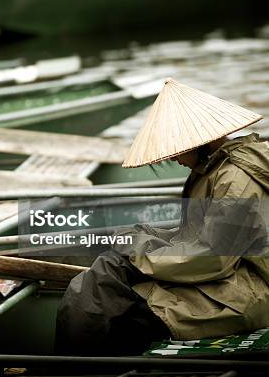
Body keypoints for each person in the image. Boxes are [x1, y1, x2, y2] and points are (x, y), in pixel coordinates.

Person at [55, 78, 268, 356]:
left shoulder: (235, 178)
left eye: (177, 151)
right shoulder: (214, 170)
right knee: (108, 269)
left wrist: (139, 252)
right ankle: (66, 366)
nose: (176, 160)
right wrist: (143, 239)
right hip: (226, 280)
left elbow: (214, 259)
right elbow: (199, 238)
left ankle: (67, 369)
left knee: (126, 320)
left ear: (202, 141)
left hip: (246, 293)